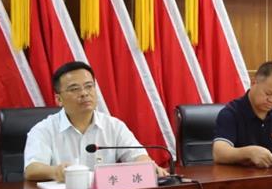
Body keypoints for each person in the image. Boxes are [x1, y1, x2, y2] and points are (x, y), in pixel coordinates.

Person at [24, 61, 168, 182]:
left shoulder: (113, 126)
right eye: (74, 89)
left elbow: (138, 156)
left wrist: (147, 166)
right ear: (59, 99)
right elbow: (31, 169)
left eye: (89, 86)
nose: (84, 93)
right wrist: (55, 171)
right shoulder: (43, 129)